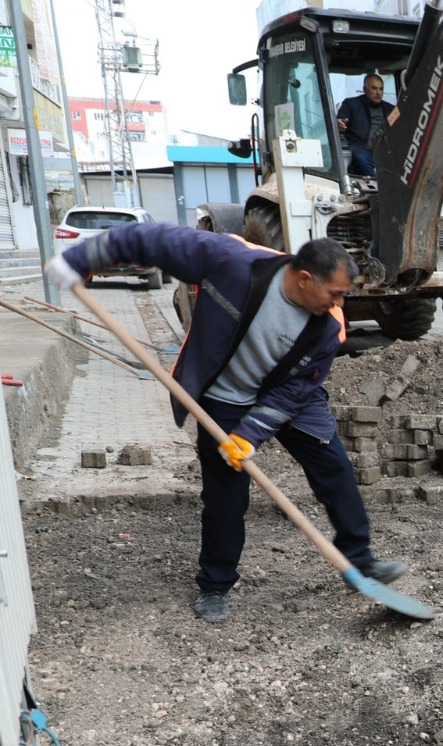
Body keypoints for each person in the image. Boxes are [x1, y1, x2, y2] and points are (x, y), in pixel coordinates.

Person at [45, 225, 409, 623]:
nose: (341, 302)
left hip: (287, 396)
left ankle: (359, 561)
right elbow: (149, 240)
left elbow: (293, 394)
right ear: (305, 279)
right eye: (335, 293)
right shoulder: (233, 263)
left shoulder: (326, 327)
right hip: (224, 399)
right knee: (226, 497)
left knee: (335, 469)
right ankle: (215, 585)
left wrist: (250, 435)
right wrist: (79, 259)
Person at [336, 74, 397, 178]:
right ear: (365, 89)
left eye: (381, 89)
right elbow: (340, 120)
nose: (378, 93)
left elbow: (399, 130)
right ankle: (377, 187)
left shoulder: (392, 110)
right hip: (361, 147)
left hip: (385, 150)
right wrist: (339, 124)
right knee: (362, 158)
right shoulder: (351, 104)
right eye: (374, 88)